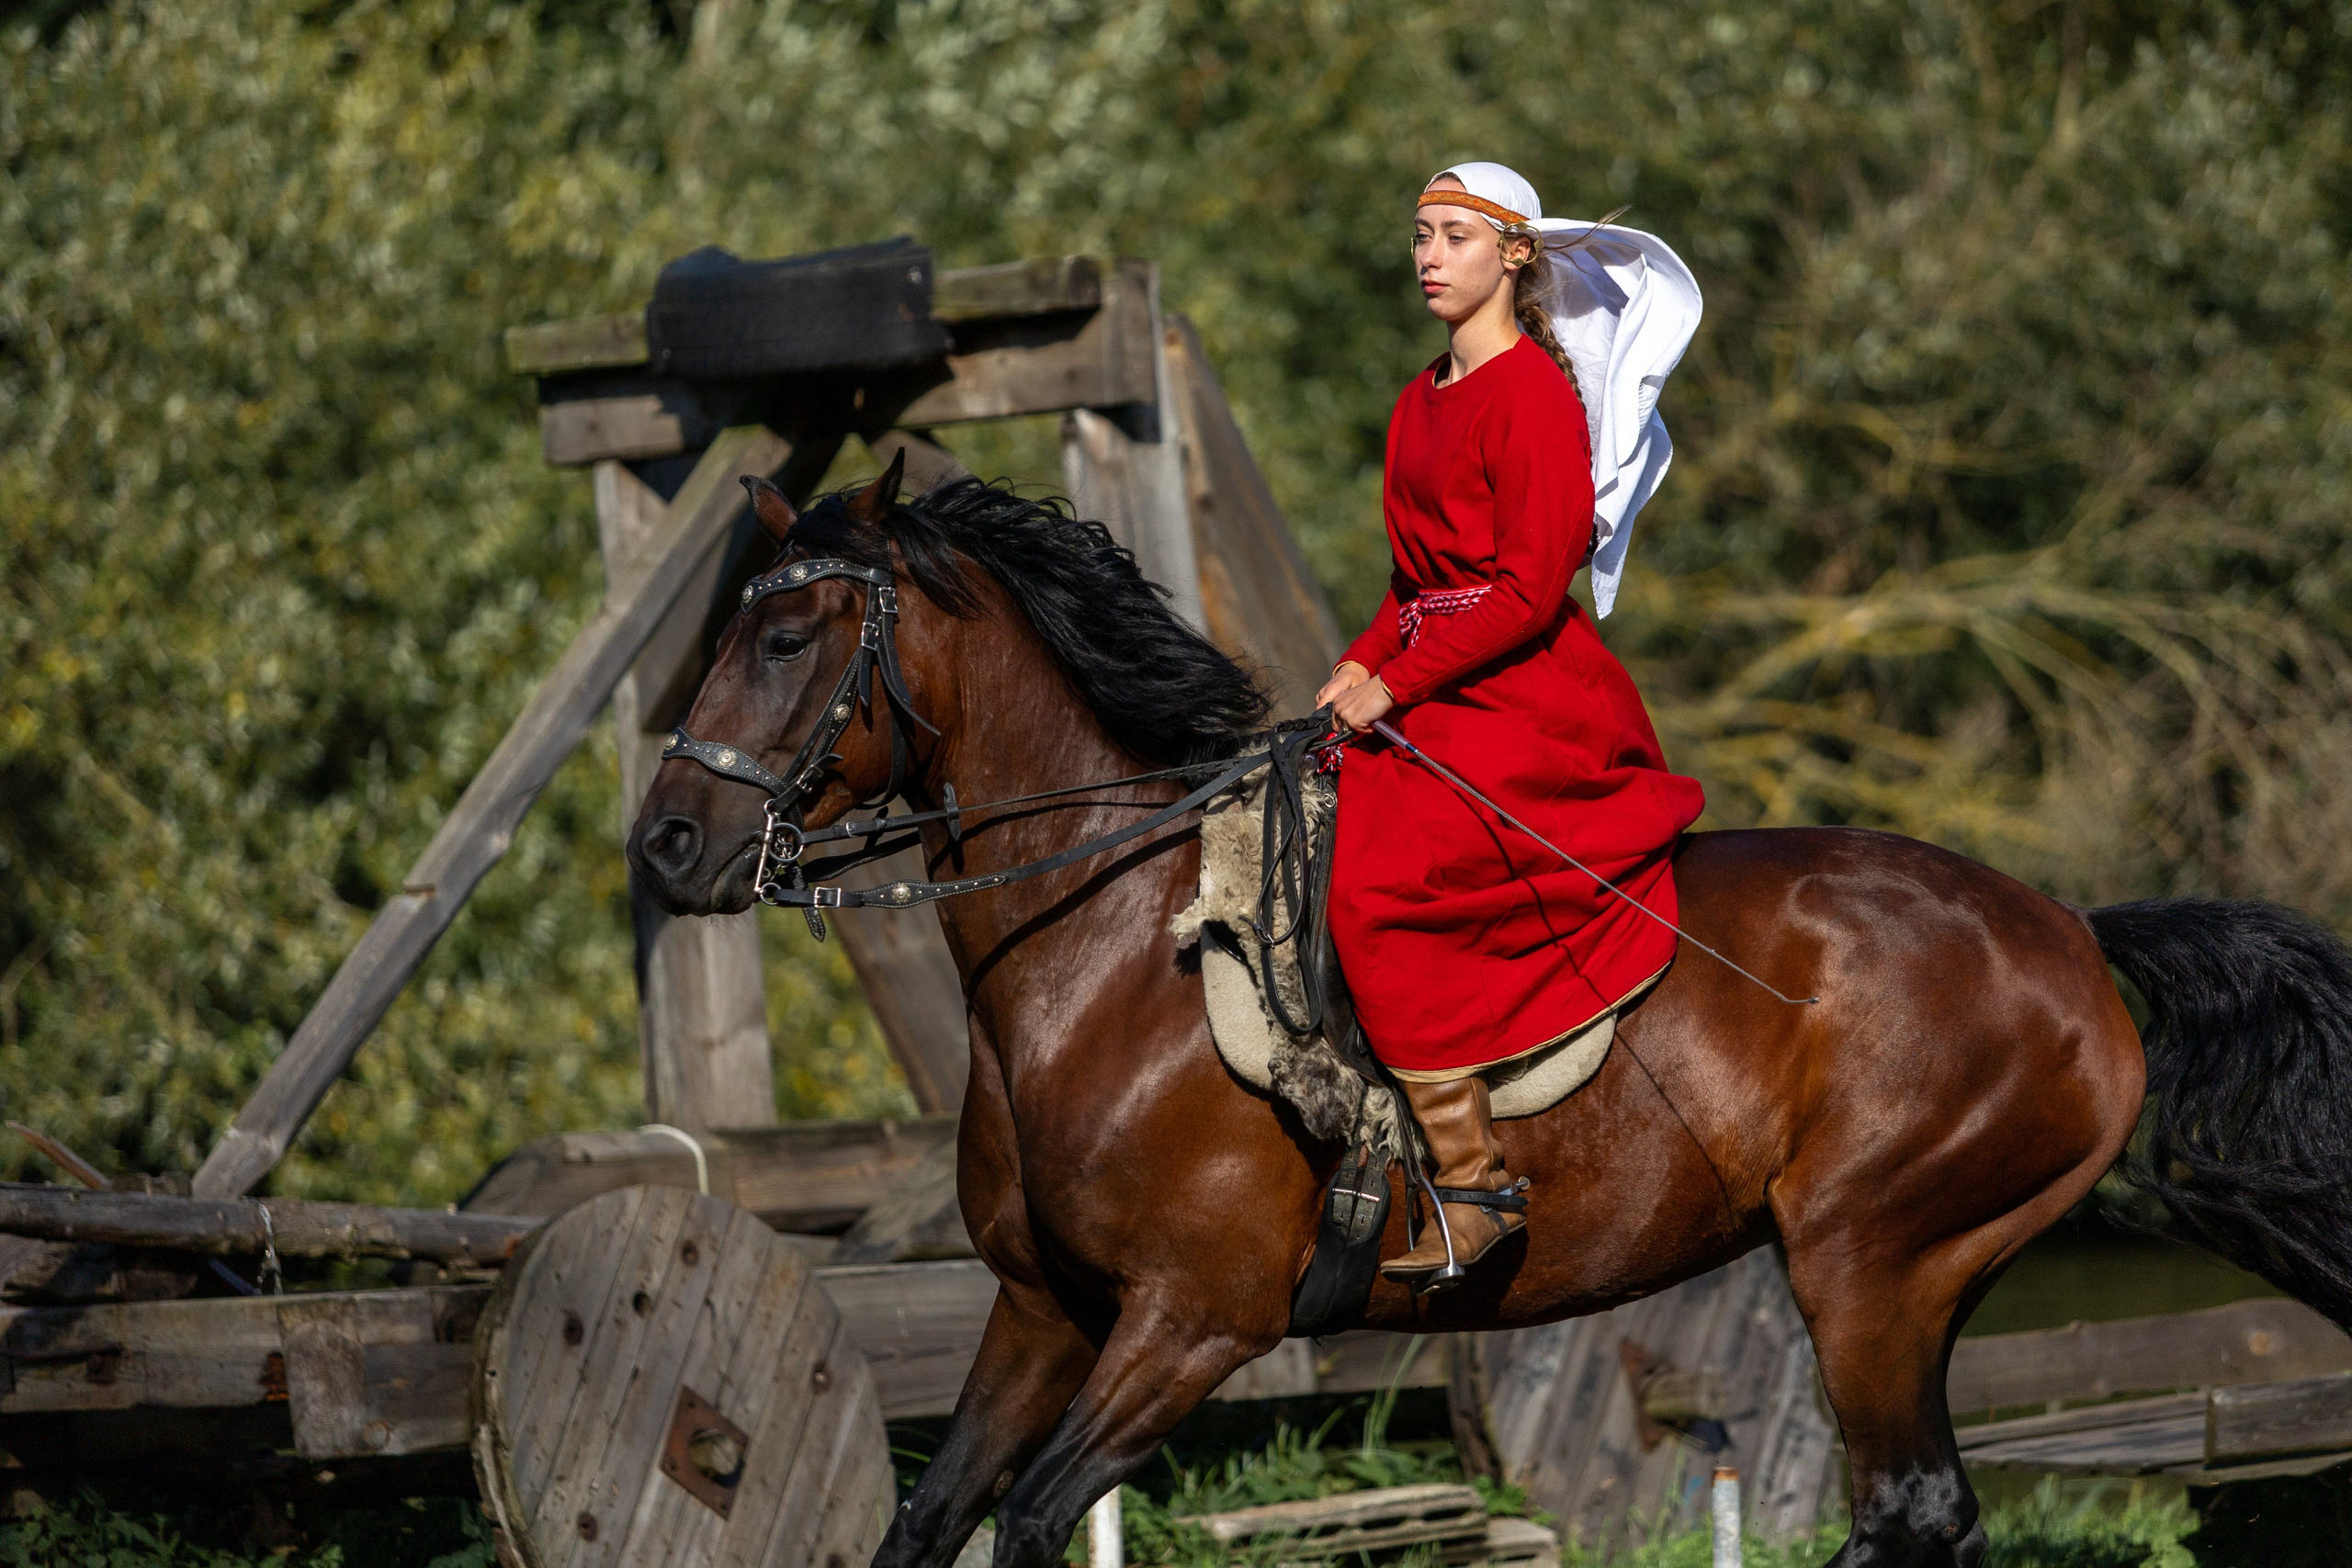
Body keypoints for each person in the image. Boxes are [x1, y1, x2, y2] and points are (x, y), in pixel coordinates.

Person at [1313, 162, 1707, 1292]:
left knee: (1380, 876)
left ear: (1513, 255)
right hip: (1440, 667)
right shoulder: (1417, 394)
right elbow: (1414, 582)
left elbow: (1528, 589)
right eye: (1420, 236)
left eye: (1452, 236)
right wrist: (1360, 657)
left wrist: (1399, 684)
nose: (1429, 255)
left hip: (1524, 691)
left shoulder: (1531, 392)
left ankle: (1475, 1183)